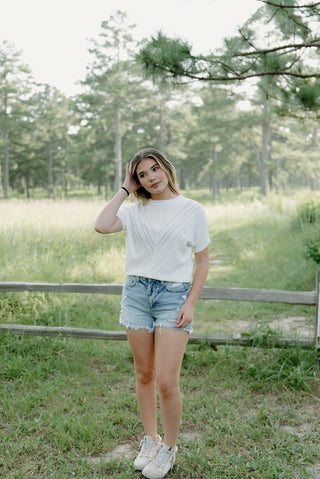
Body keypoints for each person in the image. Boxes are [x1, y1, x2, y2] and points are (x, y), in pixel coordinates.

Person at [94, 148, 210, 479]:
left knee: (166, 380)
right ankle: (150, 439)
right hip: (136, 293)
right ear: (137, 180)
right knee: (144, 373)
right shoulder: (134, 210)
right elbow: (101, 225)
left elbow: (202, 260)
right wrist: (125, 189)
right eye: (142, 174)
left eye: (154, 169)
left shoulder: (191, 210)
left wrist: (190, 302)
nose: (151, 178)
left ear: (166, 168)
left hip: (173, 295)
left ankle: (169, 449)